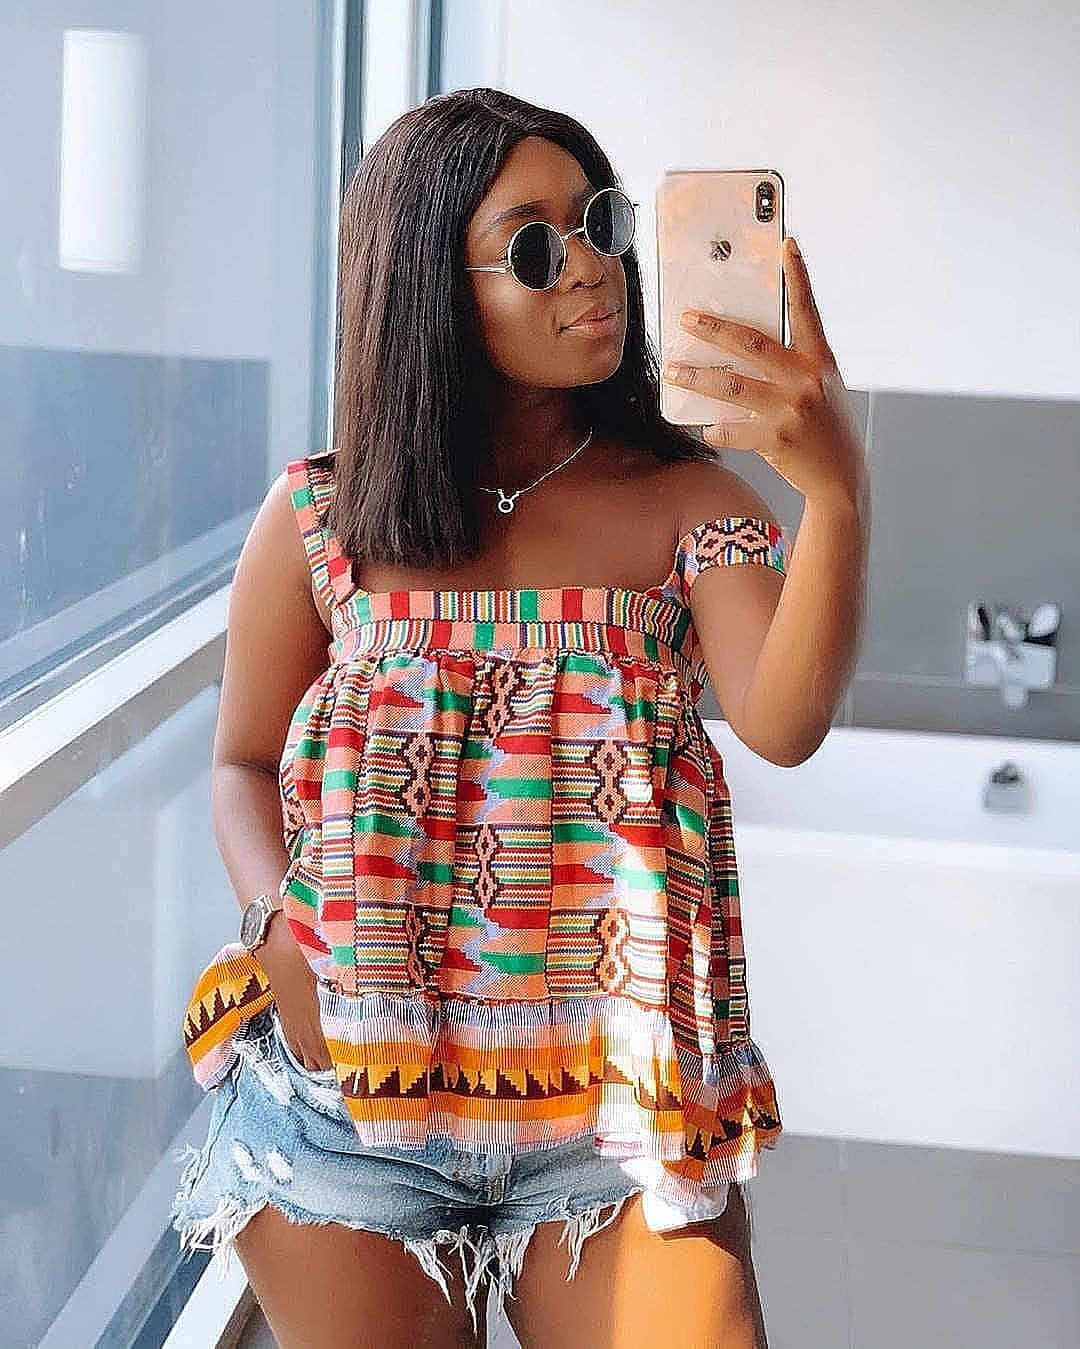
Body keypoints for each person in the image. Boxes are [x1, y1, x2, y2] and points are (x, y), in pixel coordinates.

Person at [169, 87, 868, 1348]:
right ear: (428, 288)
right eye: (537, 247)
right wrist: (282, 924)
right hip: (348, 1099)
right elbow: (242, 762)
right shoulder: (324, 516)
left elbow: (784, 719)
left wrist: (838, 490)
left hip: (616, 1114)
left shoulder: (692, 504)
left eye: (601, 224)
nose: (593, 267)